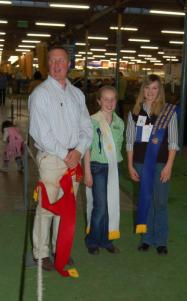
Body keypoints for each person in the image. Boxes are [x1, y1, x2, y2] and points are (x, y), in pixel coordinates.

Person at [28, 46, 93, 272]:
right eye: (53, 61)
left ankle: (60, 250)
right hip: (52, 159)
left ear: (69, 64)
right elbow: (40, 133)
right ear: (48, 65)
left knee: (66, 209)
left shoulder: (77, 95)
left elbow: (87, 127)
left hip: (73, 159)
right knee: (47, 207)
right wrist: (66, 154)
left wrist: (78, 151)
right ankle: (41, 253)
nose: (57, 65)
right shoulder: (40, 94)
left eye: (61, 60)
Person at [126, 74, 179, 255]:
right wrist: (130, 165)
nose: (150, 92)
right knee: (145, 201)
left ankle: (161, 240)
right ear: (143, 90)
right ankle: (146, 238)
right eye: (147, 88)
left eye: (154, 88)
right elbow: (129, 141)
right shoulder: (134, 112)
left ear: (160, 90)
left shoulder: (168, 112)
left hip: (161, 164)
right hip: (140, 164)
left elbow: (173, 142)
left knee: (160, 203)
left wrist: (169, 166)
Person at [84, 85, 124, 255]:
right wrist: (87, 172)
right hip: (96, 167)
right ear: (99, 101)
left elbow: (119, 148)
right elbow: (86, 148)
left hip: (113, 168)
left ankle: (106, 240)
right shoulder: (92, 121)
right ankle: (92, 240)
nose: (109, 102)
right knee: (100, 206)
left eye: (112, 99)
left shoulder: (119, 123)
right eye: (105, 99)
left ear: (116, 101)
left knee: (111, 205)